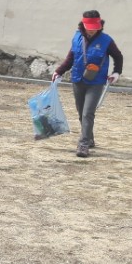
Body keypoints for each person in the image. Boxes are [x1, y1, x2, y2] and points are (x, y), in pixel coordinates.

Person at [52, 10, 124, 158]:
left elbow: (118, 56)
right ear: (83, 25)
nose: (92, 30)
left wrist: (116, 72)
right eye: (89, 26)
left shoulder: (106, 40)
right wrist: (59, 71)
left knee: (88, 113)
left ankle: (83, 144)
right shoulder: (77, 37)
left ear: (100, 25)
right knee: (81, 113)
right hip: (78, 79)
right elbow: (71, 57)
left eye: (95, 26)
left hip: (96, 82)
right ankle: (89, 139)